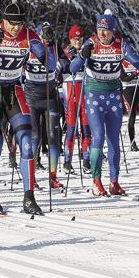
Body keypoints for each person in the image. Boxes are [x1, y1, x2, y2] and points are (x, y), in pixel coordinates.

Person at [0, 0, 56, 214]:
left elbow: (51, 65)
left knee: (27, 143)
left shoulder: (28, 36)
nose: (15, 27)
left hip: (14, 90)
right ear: (3, 21)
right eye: (11, 23)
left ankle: (29, 198)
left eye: (19, 23)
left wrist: (49, 45)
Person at [70, 10, 139, 196]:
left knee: (113, 140)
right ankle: (96, 181)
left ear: (113, 31)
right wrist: (82, 56)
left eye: (106, 30)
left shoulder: (121, 45)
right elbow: (72, 69)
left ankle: (114, 182)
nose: (102, 34)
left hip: (113, 95)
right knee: (98, 136)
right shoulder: (91, 43)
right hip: (94, 95)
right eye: (99, 29)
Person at [23, 22, 62, 190]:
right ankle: (31, 178)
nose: (45, 39)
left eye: (48, 36)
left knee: (54, 138)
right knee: (34, 139)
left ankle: (53, 177)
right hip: (31, 98)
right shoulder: (29, 47)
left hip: (50, 96)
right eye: (42, 36)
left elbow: (65, 64)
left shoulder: (53, 47)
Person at [59, 24, 91, 174]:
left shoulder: (86, 51)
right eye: (75, 39)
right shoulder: (64, 51)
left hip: (85, 91)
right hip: (70, 90)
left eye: (80, 38)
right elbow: (65, 67)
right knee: (71, 128)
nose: (78, 41)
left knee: (86, 127)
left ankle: (86, 160)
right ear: (70, 39)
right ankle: (67, 161)